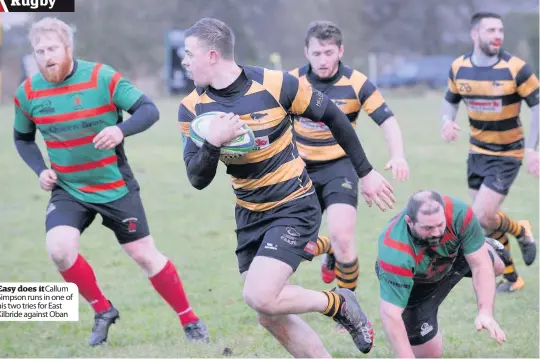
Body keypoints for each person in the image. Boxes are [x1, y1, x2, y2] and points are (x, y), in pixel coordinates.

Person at [178, 17, 395, 357]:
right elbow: (197, 179)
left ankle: (338, 301)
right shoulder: (192, 108)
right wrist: (213, 143)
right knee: (269, 314)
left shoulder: (277, 84)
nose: (184, 61)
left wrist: (365, 172)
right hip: (249, 213)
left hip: (293, 205)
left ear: (212, 55)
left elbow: (335, 117)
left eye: (189, 53)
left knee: (260, 295)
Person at [13, 17, 208, 346]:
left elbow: (148, 109)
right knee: (59, 250)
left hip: (114, 185)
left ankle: (189, 319)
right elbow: (23, 139)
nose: (46, 56)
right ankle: (103, 310)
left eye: (52, 48)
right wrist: (40, 170)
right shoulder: (28, 92)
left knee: (144, 255)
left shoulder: (101, 77)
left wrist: (120, 129)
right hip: (68, 188)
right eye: (39, 50)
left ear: (68, 47)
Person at [288, 20, 410, 295]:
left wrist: (398, 155)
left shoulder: (357, 83)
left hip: (340, 166)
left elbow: (387, 120)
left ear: (340, 51)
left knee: (343, 239)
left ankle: (347, 308)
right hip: (299, 169)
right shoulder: (292, 81)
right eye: (317, 53)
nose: (323, 60)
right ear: (306, 52)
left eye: (329, 52)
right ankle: (326, 249)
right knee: (298, 240)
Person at [440, 11, 538, 292]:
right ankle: (512, 278)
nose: (498, 36)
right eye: (491, 30)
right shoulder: (459, 67)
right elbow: (449, 101)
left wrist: (532, 148)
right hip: (477, 152)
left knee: (481, 215)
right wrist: (447, 122)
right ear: (475, 35)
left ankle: (521, 230)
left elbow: (538, 106)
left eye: (500, 31)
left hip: (508, 153)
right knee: (488, 223)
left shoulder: (517, 68)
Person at [376, 190, 507, 358]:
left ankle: (476, 245)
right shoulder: (395, 251)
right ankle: (475, 245)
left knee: (496, 263)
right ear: (409, 221)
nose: (436, 232)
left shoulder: (458, 213)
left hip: (451, 257)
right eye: (428, 228)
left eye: (440, 224)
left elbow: (481, 266)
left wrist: (485, 311)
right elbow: (390, 315)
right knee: (430, 355)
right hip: (417, 286)